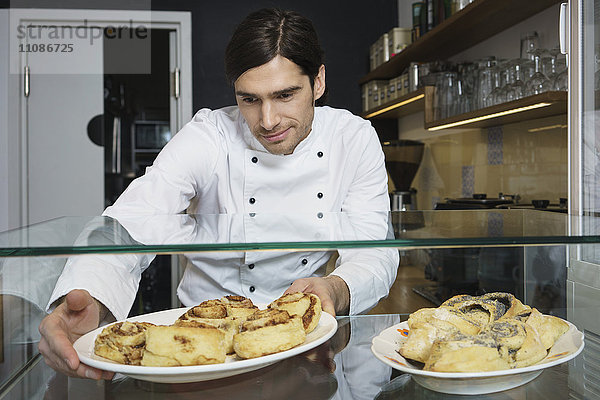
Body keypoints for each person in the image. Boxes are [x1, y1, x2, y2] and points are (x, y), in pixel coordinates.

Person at [38, 8, 399, 380]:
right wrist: (87, 296)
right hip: (200, 342)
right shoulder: (208, 136)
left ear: (318, 81)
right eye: (250, 99)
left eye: (285, 95)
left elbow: (375, 252)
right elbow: (131, 221)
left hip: (302, 338)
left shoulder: (353, 140)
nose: (268, 120)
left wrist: (335, 289)